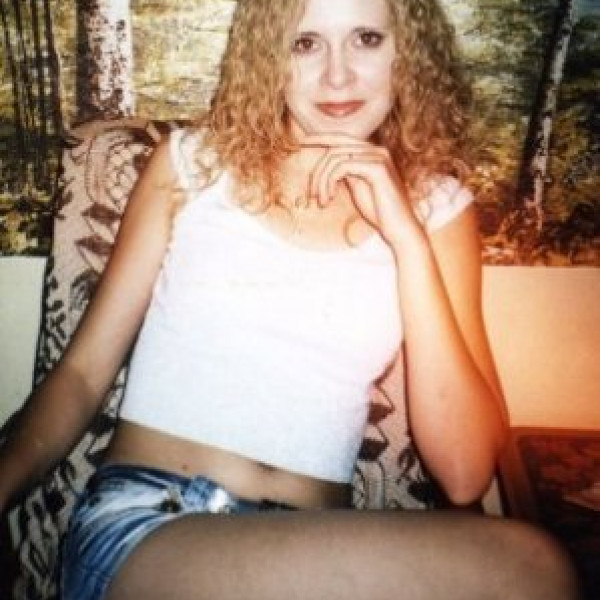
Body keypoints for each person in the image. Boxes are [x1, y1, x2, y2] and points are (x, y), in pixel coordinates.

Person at [0, 0, 580, 598]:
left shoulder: (439, 210)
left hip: (315, 543)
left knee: (529, 571)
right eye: (305, 43)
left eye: (366, 39)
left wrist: (407, 240)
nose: (337, 76)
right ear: (268, 56)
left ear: (408, 50)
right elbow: (82, 375)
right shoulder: (193, 166)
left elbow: (464, 474)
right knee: (530, 565)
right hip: (154, 523)